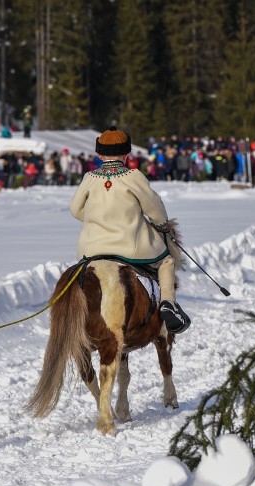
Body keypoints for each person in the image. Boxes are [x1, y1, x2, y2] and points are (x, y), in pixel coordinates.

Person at [69, 127, 191, 334]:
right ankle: (168, 303)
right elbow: (154, 206)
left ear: (99, 154)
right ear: (127, 154)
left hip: (92, 249)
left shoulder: (90, 177)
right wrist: (161, 225)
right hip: (131, 248)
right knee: (166, 261)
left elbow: (75, 209)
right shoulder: (133, 176)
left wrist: (97, 220)